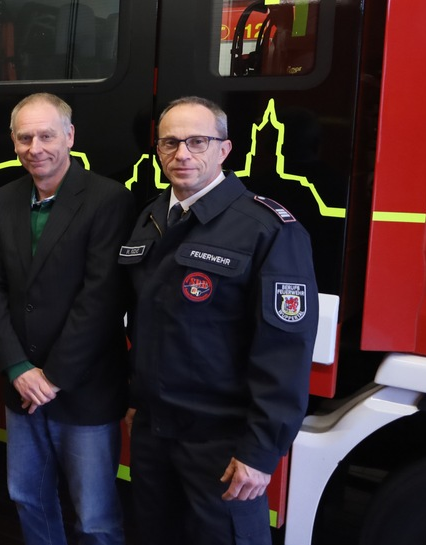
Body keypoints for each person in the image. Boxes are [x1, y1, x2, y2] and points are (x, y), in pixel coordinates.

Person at [118, 96, 318, 545]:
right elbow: (145, 321)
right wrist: (134, 396)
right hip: (153, 432)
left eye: (197, 142)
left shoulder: (267, 228)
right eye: (170, 143)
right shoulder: (150, 217)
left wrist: (260, 450)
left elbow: (285, 351)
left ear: (224, 150)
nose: (182, 154)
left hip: (221, 443)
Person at [0, 93, 133, 545]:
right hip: (22, 386)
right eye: (25, 137)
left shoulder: (108, 200)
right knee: (27, 496)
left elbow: (101, 300)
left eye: (46, 136)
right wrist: (17, 367)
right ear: (13, 142)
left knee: (95, 517)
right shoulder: (4, 199)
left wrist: (51, 378)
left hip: (83, 388)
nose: (36, 148)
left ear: (69, 136)